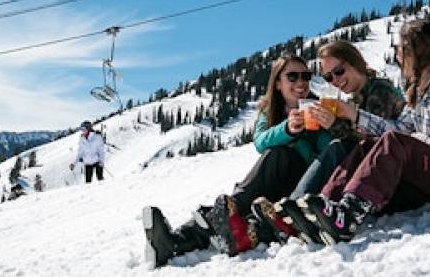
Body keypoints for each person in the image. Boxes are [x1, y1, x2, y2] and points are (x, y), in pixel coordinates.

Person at [298, 19, 430, 245]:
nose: (396, 55)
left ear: (415, 52)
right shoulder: (421, 89)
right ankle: (325, 206)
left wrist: (408, 141)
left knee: (395, 141)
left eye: (399, 49)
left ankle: (349, 214)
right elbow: (397, 128)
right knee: (369, 144)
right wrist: (356, 115)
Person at [143, 54, 334, 268]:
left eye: (306, 76)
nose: (301, 82)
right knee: (240, 204)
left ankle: (220, 213)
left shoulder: (319, 109)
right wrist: (287, 129)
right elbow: (260, 142)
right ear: (278, 83)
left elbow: (326, 155)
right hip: (272, 186)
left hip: (301, 185)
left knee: (278, 155)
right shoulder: (270, 110)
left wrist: (319, 129)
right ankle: (174, 242)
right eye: (292, 76)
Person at [256, 40, 404, 243]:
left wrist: (333, 125)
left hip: (387, 181)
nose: (335, 80)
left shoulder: (379, 91)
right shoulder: (357, 97)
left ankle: (291, 212)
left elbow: (374, 143)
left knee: (338, 148)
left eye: (339, 71)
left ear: (355, 62)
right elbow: (260, 141)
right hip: (370, 180)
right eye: (328, 77)